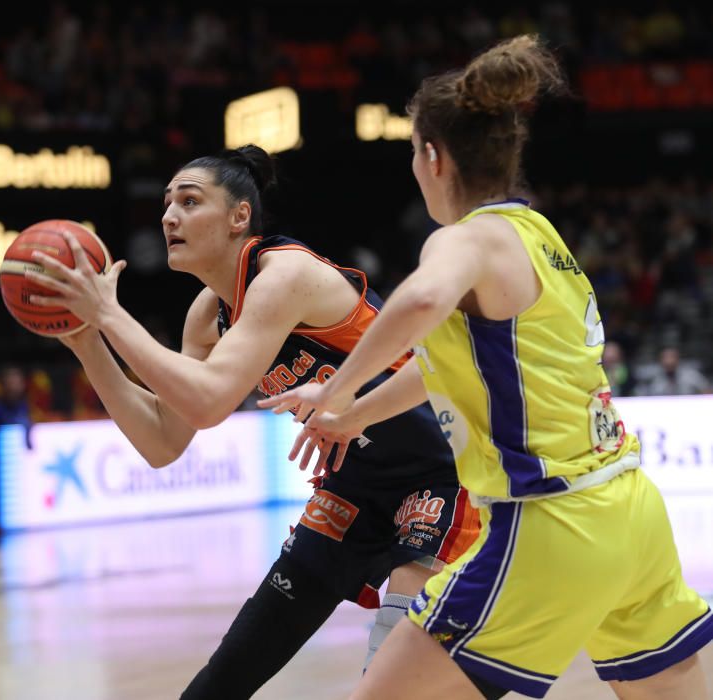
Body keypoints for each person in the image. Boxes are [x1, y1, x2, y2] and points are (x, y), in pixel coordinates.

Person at [260, 35, 712, 700]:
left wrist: (338, 381)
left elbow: (419, 298)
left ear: (434, 158)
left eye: (414, 153)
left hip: (550, 521)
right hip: (632, 514)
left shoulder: (466, 239)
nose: (415, 167)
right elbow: (443, 365)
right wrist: (351, 413)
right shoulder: (538, 235)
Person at [24, 145, 480, 698]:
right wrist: (89, 345)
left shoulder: (285, 273)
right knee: (223, 679)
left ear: (240, 215)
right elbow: (164, 439)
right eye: (167, 203)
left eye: (190, 201)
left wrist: (111, 315)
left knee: (390, 682)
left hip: (444, 470)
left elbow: (211, 398)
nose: (169, 216)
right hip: (355, 487)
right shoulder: (205, 314)